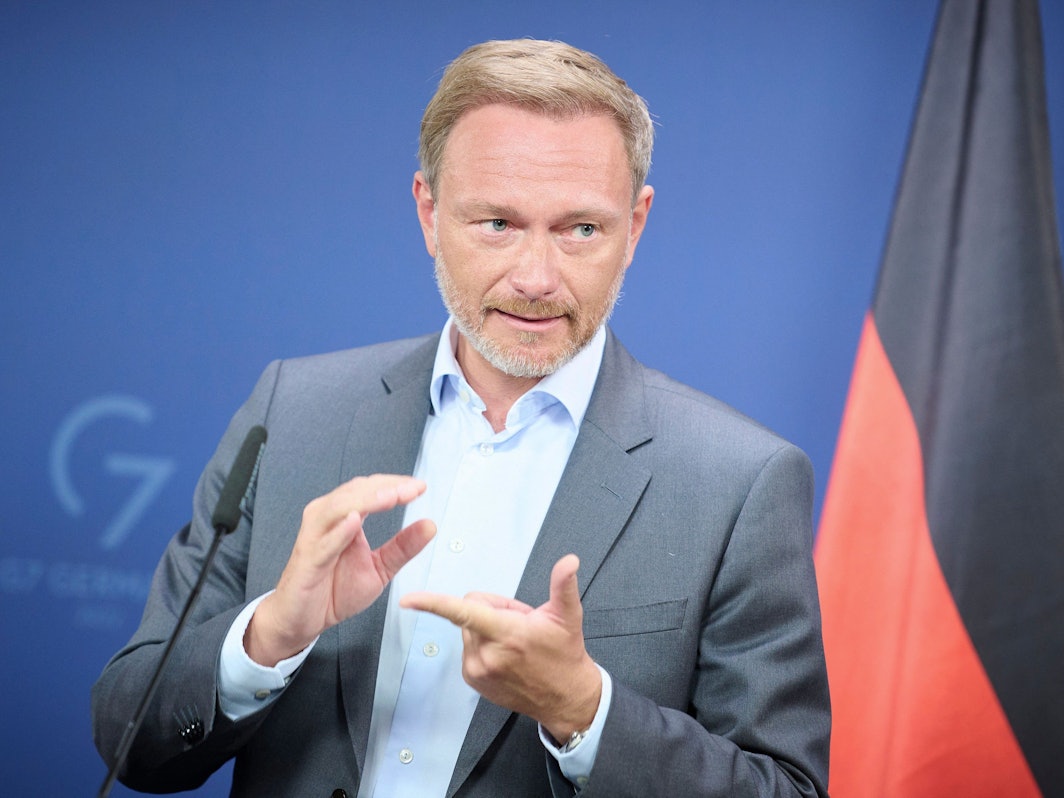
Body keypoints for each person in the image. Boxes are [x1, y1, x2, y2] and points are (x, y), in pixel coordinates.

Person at [92, 38, 830, 797]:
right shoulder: (293, 410)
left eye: (582, 229)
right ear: (428, 211)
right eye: (497, 224)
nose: (537, 278)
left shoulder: (740, 481)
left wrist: (584, 711)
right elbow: (129, 740)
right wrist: (270, 636)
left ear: (635, 227)